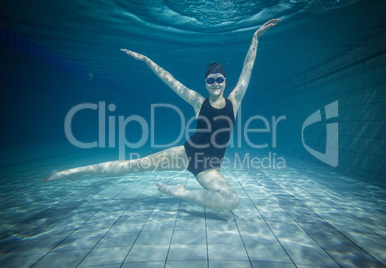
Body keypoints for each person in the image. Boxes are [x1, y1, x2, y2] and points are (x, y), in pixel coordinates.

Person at [44, 19, 281, 211]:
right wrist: (147, 60)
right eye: (211, 80)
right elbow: (170, 80)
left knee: (231, 201)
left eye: (220, 79)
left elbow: (247, 69)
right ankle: (72, 173)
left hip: (209, 168)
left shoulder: (234, 99)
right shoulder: (198, 101)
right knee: (134, 165)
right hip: (185, 154)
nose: (216, 84)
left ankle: (180, 192)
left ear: (225, 81)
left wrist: (255, 38)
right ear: (206, 82)